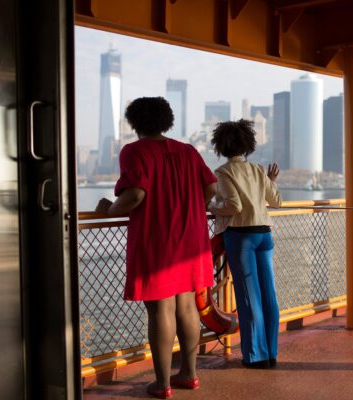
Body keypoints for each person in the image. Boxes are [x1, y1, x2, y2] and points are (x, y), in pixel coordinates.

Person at [95, 97, 217, 399]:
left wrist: (109, 210)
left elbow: (135, 194)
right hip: (192, 240)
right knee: (187, 306)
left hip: (157, 239)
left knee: (161, 308)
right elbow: (210, 188)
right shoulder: (188, 151)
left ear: (135, 123)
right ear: (167, 120)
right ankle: (189, 373)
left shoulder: (134, 151)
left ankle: (162, 384)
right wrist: (191, 213)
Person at [208, 119, 282, 369]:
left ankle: (255, 356)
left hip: (241, 236)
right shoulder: (258, 170)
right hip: (264, 235)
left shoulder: (224, 172)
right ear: (247, 144)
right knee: (268, 295)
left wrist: (212, 206)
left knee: (250, 298)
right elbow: (276, 201)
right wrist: (271, 181)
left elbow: (234, 206)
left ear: (221, 146)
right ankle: (271, 352)